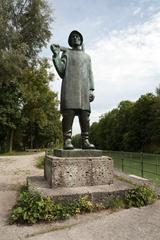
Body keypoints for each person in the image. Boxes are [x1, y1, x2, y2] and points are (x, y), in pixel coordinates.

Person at [51, 30, 95, 150]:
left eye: (77, 36)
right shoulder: (66, 53)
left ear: (81, 40)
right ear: (70, 41)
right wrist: (56, 56)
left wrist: (91, 89)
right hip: (70, 88)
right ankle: (67, 140)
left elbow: (90, 73)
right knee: (68, 114)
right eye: (73, 37)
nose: (75, 38)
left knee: (85, 116)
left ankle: (85, 140)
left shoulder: (87, 57)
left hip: (84, 90)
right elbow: (61, 71)